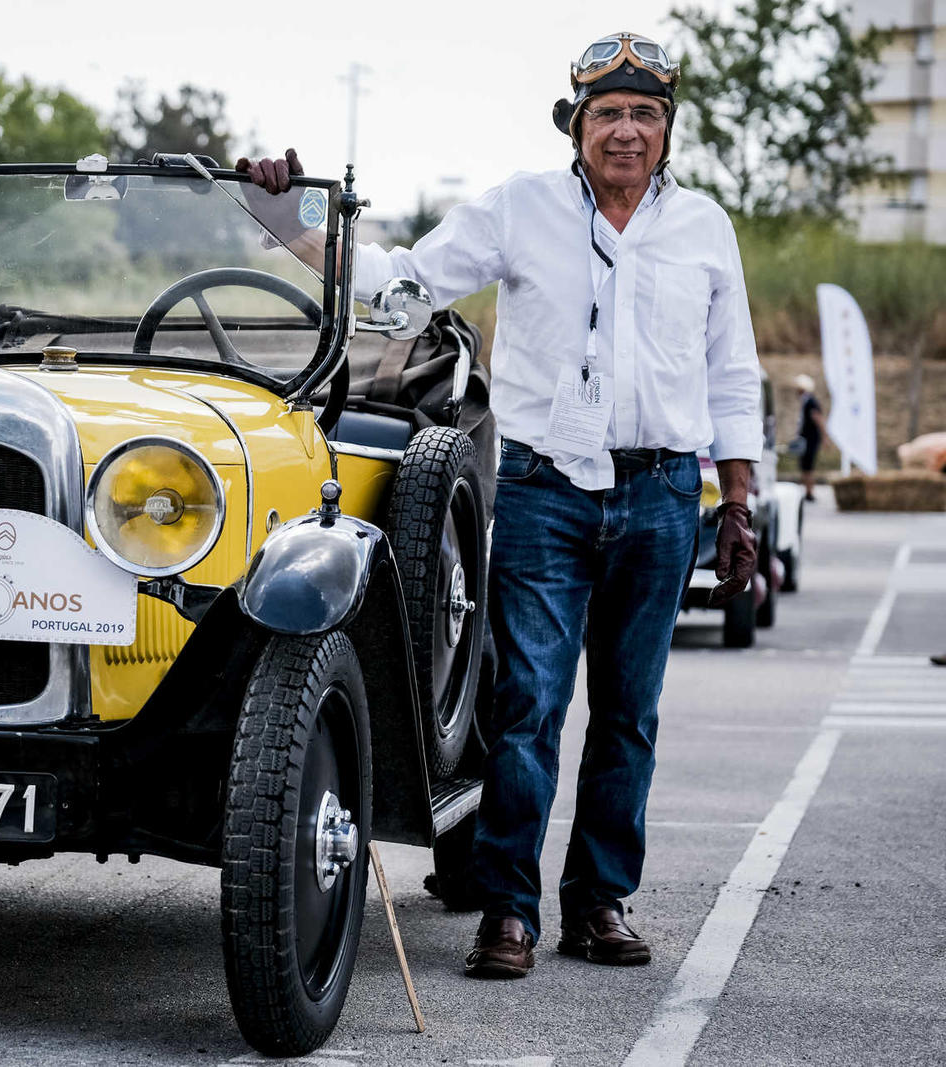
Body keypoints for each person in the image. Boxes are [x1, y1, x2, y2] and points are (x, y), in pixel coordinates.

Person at [240, 31, 761, 977]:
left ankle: (600, 900)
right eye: (609, 115)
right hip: (545, 489)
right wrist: (289, 219)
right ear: (577, 127)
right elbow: (401, 288)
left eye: (646, 115)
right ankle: (507, 911)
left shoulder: (706, 230)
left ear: (669, 129)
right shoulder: (520, 210)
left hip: (660, 492)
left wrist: (740, 502)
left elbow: (734, 376)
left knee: (630, 714)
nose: (628, 133)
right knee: (526, 707)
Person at [792, 373, 826, 502]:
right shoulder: (807, 401)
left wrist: (824, 436)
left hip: (810, 439)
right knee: (806, 466)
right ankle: (807, 490)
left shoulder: (810, 402)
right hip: (807, 438)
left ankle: (809, 491)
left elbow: (817, 418)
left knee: (808, 466)